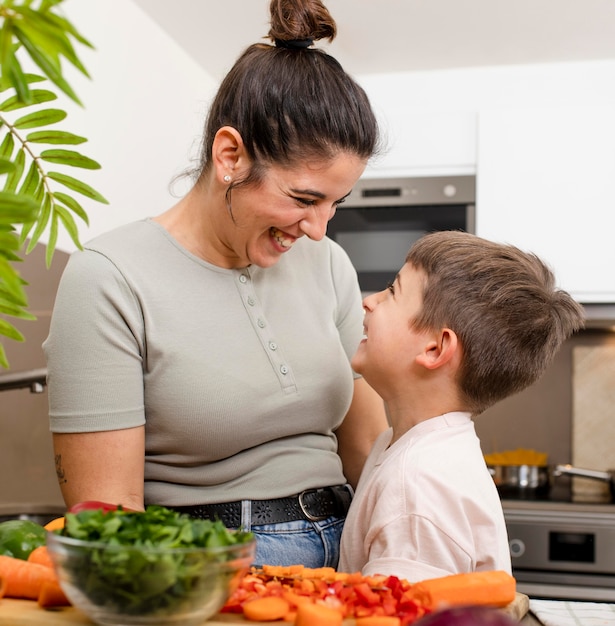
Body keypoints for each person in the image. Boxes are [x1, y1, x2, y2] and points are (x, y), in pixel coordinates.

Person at [43, 0, 388, 569]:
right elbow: (110, 518)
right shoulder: (110, 277)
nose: (319, 228)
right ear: (230, 155)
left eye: (335, 203)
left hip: (351, 550)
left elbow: (368, 448)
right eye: (304, 199)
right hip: (215, 566)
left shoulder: (327, 264)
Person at [338, 230, 585, 581]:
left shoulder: (418, 485)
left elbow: (399, 616)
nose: (369, 301)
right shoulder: (413, 452)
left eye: (393, 292)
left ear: (435, 349)